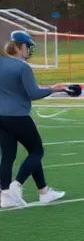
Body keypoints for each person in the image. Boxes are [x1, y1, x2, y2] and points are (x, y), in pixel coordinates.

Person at [0, 31, 67, 208]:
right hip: (19, 116)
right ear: (21, 47)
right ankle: (16, 185)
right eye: (28, 47)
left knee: (8, 155)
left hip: (1, 117)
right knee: (37, 151)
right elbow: (33, 93)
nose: (29, 51)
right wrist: (53, 89)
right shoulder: (22, 67)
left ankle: (12, 195)